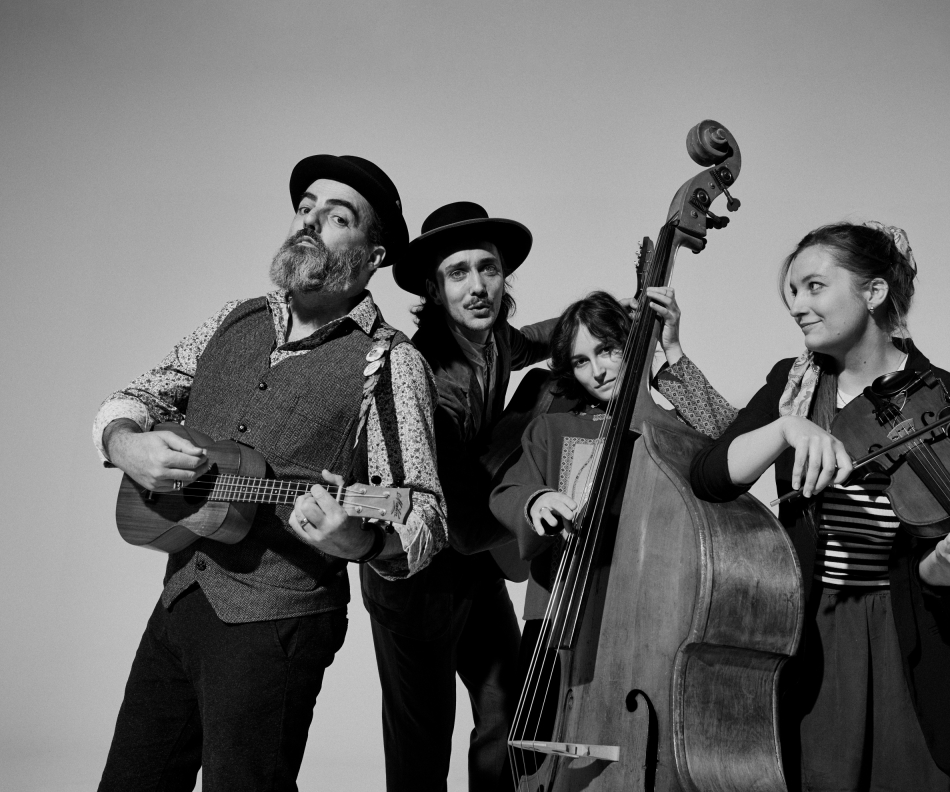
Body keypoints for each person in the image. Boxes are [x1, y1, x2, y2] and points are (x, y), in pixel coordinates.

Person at [93, 155, 447, 792]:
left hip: (278, 622)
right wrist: (125, 444)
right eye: (305, 208)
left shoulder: (391, 362)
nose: (309, 221)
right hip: (180, 599)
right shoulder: (235, 319)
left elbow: (425, 512)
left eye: (337, 217)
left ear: (373, 256)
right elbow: (138, 396)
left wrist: (361, 542)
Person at [689, 222, 950, 791]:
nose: (798, 305)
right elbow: (711, 477)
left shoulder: (949, 398)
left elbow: (933, 563)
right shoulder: (792, 386)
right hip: (815, 632)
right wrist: (786, 428)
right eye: (793, 292)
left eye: (814, 287)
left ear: (874, 292)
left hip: (910, 634)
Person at [362, 201, 559, 792]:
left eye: (488, 268)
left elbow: (533, 341)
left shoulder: (493, 337)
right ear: (433, 288)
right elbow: (467, 527)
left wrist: (603, 318)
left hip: (472, 568)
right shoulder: (423, 372)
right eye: (458, 273)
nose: (478, 287)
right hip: (417, 572)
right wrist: (548, 507)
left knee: (510, 712)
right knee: (422, 748)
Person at [490, 288, 736, 665]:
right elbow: (507, 491)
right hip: (558, 616)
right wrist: (537, 501)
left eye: (606, 350)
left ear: (631, 345)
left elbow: (724, 434)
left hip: (646, 615)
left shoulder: (666, 430)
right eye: (581, 361)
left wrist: (670, 349)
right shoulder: (552, 429)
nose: (598, 371)